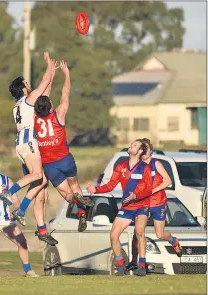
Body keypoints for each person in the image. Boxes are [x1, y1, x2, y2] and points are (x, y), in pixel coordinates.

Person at [0, 52, 58, 246]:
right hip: (30, 141)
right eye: (26, 83)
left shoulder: (19, 104)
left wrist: (52, 74)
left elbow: (45, 92)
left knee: (40, 183)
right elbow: (44, 81)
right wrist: (49, 65)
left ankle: (32, 221)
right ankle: (9, 193)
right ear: (23, 88)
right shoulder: (28, 99)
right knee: (36, 176)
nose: (29, 84)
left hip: (23, 143)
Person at [32, 60, 94, 232]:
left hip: (49, 165)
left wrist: (49, 75)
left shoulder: (35, 120)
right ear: (50, 107)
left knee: (67, 194)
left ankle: (76, 203)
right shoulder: (58, 114)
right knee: (74, 186)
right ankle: (82, 211)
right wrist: (66, 75)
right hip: (65, 159)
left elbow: (42, 95)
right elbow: (65, 94)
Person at [87, 139, 153, 276]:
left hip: (142, 205)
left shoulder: (145, 167)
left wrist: (135, 195)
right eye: (131, 144)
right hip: (127, 206)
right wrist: (96, 189)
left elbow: (148, 189)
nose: (131, 146)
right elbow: (110, 185)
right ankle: (121, 266)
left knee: (139, 232)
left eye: (135, 145)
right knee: (113, 235)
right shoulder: (121, 166)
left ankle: (141, 266)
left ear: (140, 151)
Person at [126, 138, 183, 271]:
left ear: (151, 151)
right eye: (142, 149)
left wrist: (151, 190)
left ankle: (174, 241)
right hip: (143, 203)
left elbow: (168, 181)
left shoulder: (155, 163)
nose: (145, 152)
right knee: (138, 232)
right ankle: (136, 262)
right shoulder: (137, 165)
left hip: (158, 202)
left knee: (160, 234)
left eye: (147, 149)